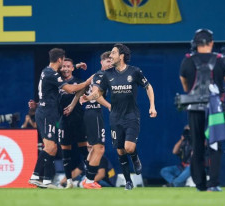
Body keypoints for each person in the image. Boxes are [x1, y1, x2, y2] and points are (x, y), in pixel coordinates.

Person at [82, 43, 157, 190]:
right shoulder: (107, 74)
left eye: (113, 53)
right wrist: (89, 96)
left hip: (131, 115)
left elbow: (148, 86)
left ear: (121, 56)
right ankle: (128, 182)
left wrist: (152, 106)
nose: (111, 56)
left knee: (129, 148)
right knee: (120, 151)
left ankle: (135, 158)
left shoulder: (134, 71)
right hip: (115, 117)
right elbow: (99, 93)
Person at [179, 29, 225, 192]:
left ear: (196, 44)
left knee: (197, 145)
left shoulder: (187, 61)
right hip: (215, 109)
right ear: (211, 43)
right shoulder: (220, 61)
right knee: (215, 144)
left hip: (194, 108)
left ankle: (200, 185)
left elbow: (186, 87)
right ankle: (214, 184)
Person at [28, 48, 92, 189]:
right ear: (59, 60)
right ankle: (35, 176)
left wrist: (76, 66)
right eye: (63, 61)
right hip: (47, 113)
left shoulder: (47, 71)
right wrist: (87, 82)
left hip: (47, 112)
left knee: (53, 148)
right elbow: (70, 89)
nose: (64, 65)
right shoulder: (51, 74)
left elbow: (62, 72)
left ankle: (45, 180)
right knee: (50, 147)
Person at [79, 51, 112, 189]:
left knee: (93, 148)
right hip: (93, 113)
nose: (110, 63)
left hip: (91, 113)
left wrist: (80, 99)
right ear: (102, 62)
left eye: (112, 61)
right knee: (99, 148)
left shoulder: (101, 75)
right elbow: (96, 95)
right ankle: (89, 180)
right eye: (107, 61)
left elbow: (85, 90)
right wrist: (110, 106)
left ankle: (86, 180)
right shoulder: (101, 75)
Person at [57, 58, 89, 189]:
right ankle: (69, 182)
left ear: (72, 68)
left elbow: (86, 95)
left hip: (79, 121)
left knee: (84, 151)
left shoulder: (79, 82)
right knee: (66, 154)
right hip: (63, 122)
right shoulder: (56, 82)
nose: (65, 68)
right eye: (63, 66)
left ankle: (88, 179)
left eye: (68, 66)